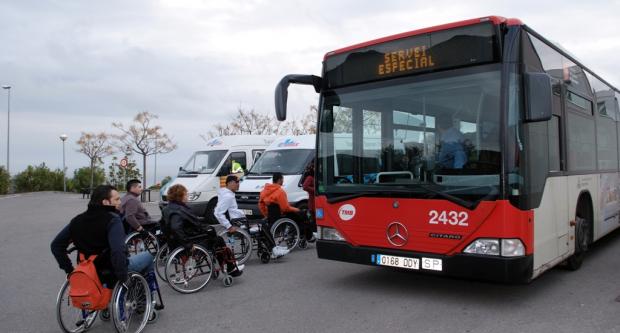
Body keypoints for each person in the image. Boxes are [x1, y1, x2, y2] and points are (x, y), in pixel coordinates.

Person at [50, 185, 161, 311]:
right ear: (105, 202)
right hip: (110, 269)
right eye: (117, 199)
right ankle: (144, 302)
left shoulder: (76, 220)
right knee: (148, 256)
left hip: (88, 269)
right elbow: (118, 251)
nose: (120, 202)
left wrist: (70, 271)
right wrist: (122, 276)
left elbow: (56, 246)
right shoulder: (113, 220)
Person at [163, 184, 243, 277]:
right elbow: (176, 228)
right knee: (218, 241)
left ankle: (227, 265)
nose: (187, 196)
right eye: (186, 194)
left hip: (177, 240)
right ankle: (231, 268)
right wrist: (188, 244)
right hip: (189, 240)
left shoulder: (168, 208)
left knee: (212, 234)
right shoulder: (178, 210)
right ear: (180, 196)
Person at [215, 175, 289, 258]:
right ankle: (274, 249)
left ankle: (273, 248)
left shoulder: (227, 194)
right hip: (238, 223)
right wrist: (229, 226)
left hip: (239, 221)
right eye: (237, 182)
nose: (238, 184)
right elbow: (218, 213)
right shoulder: (227, 196)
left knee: (261, 225)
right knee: (263, 225)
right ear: (230, 183)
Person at [259, 172, 313, 241]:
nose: (283, 181)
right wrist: (297, 209)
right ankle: (306, 235)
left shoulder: (264, 191)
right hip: (281, 216)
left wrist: (267, 215)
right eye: (282, 179)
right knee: (302, 214)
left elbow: (261, 205)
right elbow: (285, 208)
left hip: (272, 216)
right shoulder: (280, 192)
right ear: (279, 180)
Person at [301, 161, 317, 243]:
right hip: (313, 202)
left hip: (316, 201)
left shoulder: (315, 176)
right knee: (313, 218)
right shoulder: (310, 177)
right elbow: (305, 186)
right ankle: (313, 233)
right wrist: (315, 190)